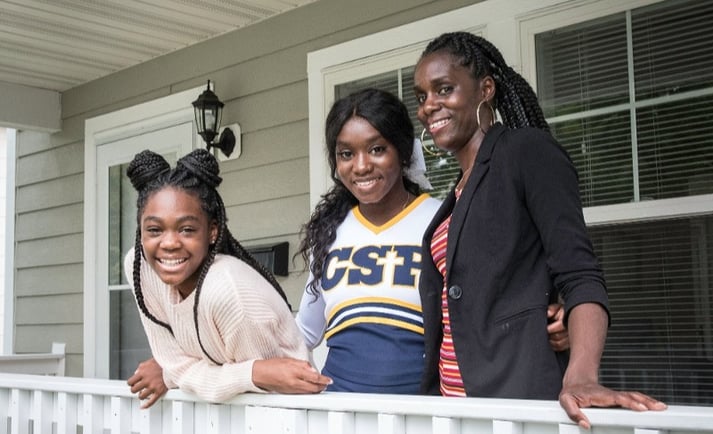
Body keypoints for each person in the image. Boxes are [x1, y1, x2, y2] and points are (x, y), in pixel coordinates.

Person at [412, 31, 666, 428]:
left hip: (515, 401)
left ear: (486, 89)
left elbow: (580, 273)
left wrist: (581, 375)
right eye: (422, 96)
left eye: (444, 89)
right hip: (454, 407)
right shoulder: (457, 191)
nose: (430, 106)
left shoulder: (526, 151)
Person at [294, 88, 568, 393]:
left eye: (376, 149)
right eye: (346, 154)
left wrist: (553, 320)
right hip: (341, 415)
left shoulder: (444, 218)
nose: (360, 166)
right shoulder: (330, 232)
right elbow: (303, 333)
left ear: (403, 152)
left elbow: (491, 305)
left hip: (425, 412)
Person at [124, 148, 331, 408]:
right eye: (154, 229)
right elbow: (175, 366)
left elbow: (264, 392)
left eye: (187, 229)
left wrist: (176, 374)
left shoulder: (227, 290)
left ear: (212, 231)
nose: (169, 243)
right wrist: (251, 373)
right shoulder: (139, 265)